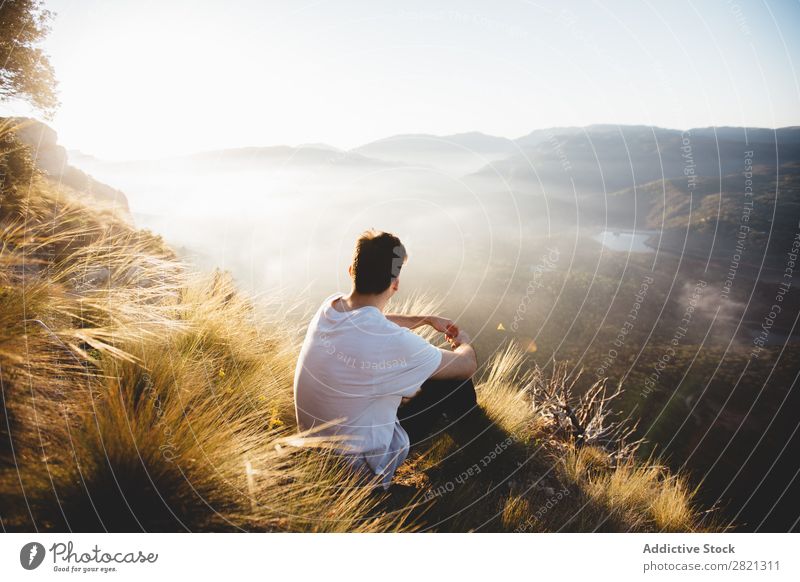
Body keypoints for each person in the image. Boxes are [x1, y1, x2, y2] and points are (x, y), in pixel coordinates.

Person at [293, 229, 479, 489]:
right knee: (454, 382)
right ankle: (480, 447)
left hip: (315, 452)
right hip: (359, 475)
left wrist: (424, 319)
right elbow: (467, 366)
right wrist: (465, 343)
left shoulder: (330, 307)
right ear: (395, 283)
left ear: (351, 271)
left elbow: (371, 320)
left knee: (404, 377)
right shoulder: (392, 342)